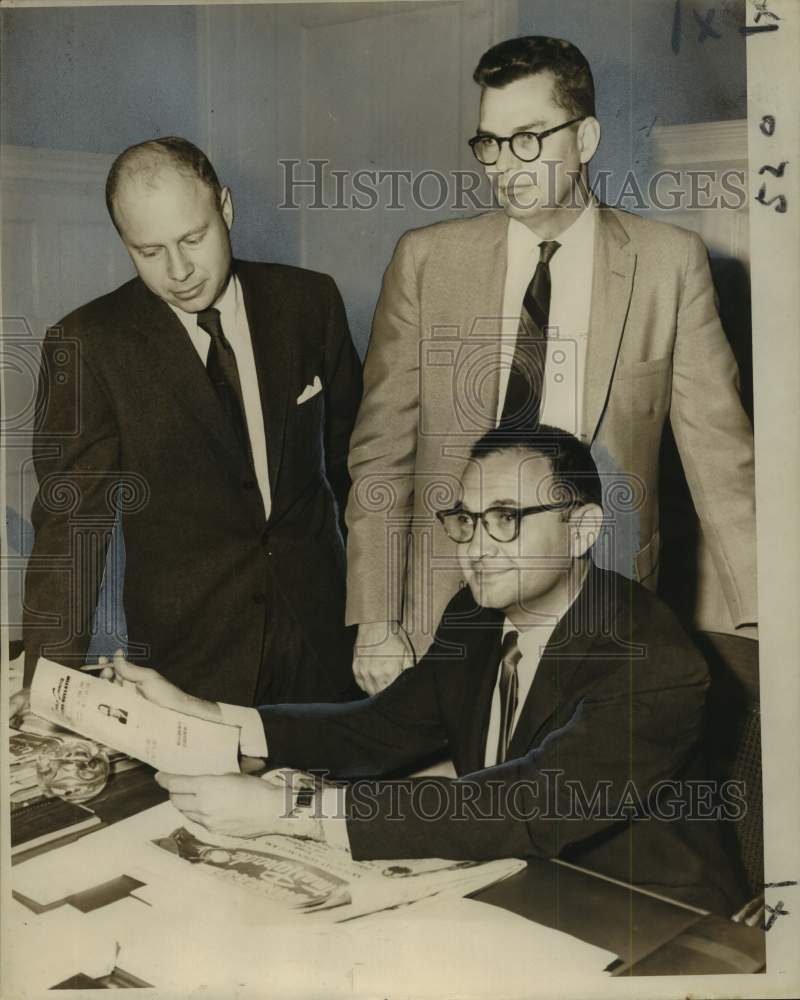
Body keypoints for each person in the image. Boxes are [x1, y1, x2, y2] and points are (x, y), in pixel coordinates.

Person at [101, 428, 747, 916]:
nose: (475, 547)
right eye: (467, 519)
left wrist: (289, 808)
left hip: (645, 912)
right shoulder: (476, 613)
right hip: (510, 877)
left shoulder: (653, 661)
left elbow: (525, 803)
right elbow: (381, 728)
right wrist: (213, 718)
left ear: (581, 530)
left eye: (506, 519)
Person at [345, 35, 757, 694]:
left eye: (529, 138)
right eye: (490, 143)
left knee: (578, 792)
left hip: (604, 600)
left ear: (586, 138)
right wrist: (375, 620)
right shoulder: (426, 262)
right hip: (445, 605)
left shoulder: (669, 265)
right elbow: (381, 453)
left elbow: (723, 461)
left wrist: (765, 614)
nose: (506, 165)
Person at [22, 136, 362, 706]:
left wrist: (382, 614)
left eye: (193, 239)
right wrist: (46, 691)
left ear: (225, 209)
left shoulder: (310, 302)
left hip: (325, 640)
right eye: (148, 251)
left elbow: (356, 466)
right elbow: (71, 533)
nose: (178, 270)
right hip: (191, 666)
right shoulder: (87, 344)